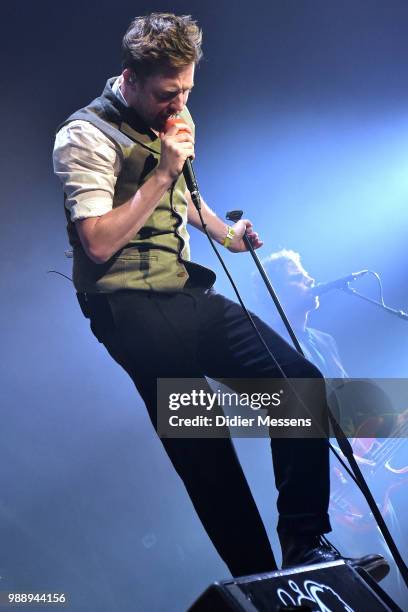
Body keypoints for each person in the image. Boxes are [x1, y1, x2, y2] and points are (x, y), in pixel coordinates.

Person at [53, 13, 388, 581]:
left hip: (184, 292)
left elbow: (180, 193)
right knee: (206, 448)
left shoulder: (171, 111)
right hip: (128, 310)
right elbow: (98, 242)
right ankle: (260, 584)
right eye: (167, 92)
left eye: (187, 88)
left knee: (299, 385)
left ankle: (305, 547)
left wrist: (223, 234)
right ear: (129, 79)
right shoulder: (83, 136)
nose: (178, 102)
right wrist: (162, 173)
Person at [257, 249, 348, 379]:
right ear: (274, 292)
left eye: (306, 275)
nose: (311, 280)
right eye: (297, 277)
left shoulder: (325, 339)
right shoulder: (267, 341)